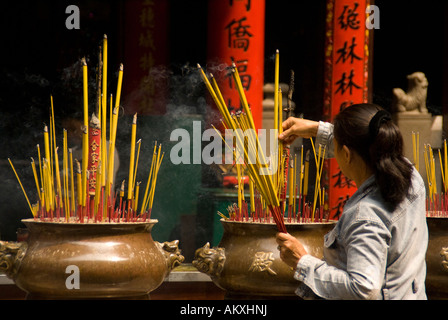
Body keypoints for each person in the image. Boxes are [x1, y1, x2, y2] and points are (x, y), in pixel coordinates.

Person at [276, 103, 428, 300]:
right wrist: (317, 130)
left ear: (346, 154)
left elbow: (364, 288)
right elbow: (367, 143)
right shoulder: (411, 178)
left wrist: (303, 262)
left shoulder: (366, 216)